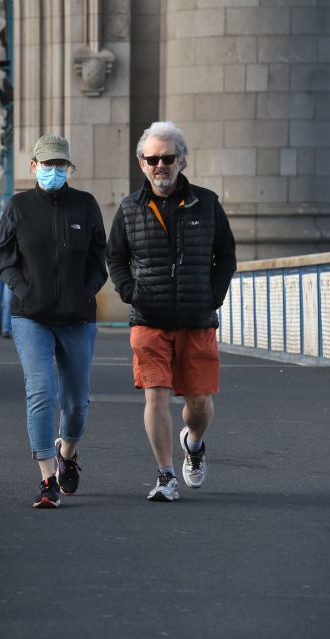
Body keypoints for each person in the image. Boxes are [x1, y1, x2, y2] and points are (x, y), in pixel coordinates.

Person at [106, 121, 236, 502]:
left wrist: (214, 295)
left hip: (197, 319)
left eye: (167, 158)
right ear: (141, 164)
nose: (159, 165)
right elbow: (116, 257)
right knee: (156, 396)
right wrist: (131, 292)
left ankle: (193, 444)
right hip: (149, 319)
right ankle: (165, 475)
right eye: (151, 159)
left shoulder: (207, 203)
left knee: (198, 403)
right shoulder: (130, 209)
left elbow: (225, 255)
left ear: (182, 160)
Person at [0, 134, 108, 508]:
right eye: (48, 165)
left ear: (69, 168)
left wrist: (86, 291)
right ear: (34, 167)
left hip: (77, 317)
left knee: (76, 401)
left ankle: (67, 453)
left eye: (61, 165)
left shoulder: (86, 206)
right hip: (31, 317)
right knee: (41, 391)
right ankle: (47, 479)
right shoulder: (18, 206)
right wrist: (24, 290)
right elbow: (4, 258)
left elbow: (98, 261)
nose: (54, 171)